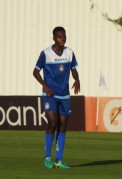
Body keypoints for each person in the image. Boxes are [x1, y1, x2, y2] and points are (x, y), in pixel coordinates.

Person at [33, 26, 80, 169]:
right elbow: (35, 72)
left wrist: (77, 80)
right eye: (59, 36)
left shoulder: (70, 52)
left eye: (64, 35)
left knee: (63, 125)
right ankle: (47, 157)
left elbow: (74, 69)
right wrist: (45, 87)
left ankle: (58, 161)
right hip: (50, 95)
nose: (62, 38)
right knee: (52, 123)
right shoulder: (45, 53)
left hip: (65, 95)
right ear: (53, 38)